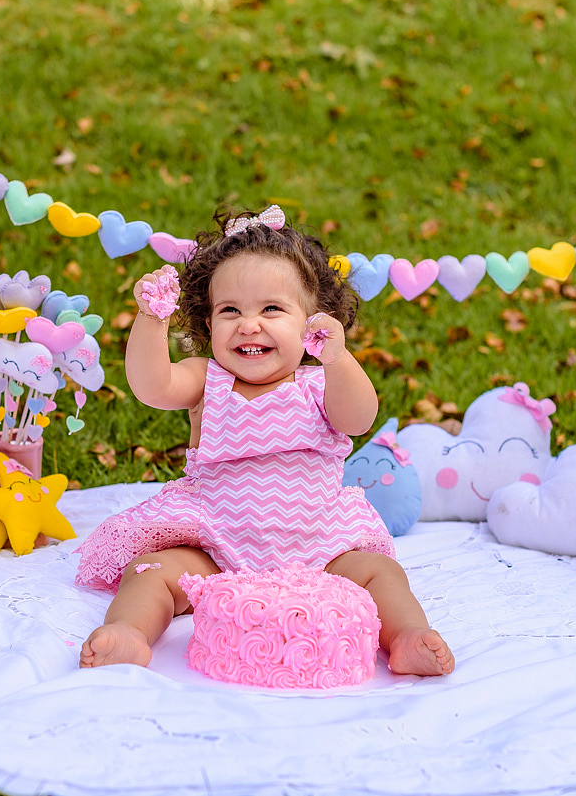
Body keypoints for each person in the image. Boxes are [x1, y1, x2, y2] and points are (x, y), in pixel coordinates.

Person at [76, 205, 454, 677]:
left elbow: (359, 419)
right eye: (229, 310)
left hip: (321, 545)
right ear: (208, 324)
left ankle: (408, 637)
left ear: (315, 321)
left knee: (381, 574)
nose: (248, 324)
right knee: (150, 571)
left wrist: (338, 360)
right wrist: (151, 320)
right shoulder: (206, 379)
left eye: (271, 309)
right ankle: (130, 633)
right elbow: (152, 387)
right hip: (215, 544)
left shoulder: (319, 383)